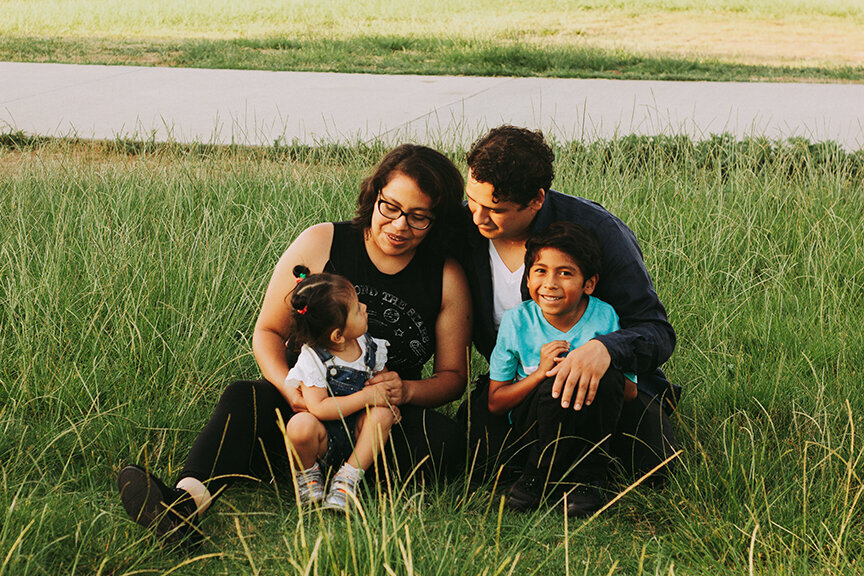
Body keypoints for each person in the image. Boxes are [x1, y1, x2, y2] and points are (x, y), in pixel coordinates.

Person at [118, 144, 471, 544]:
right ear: (373, 195)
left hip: (380, 421)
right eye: (389, 206)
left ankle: (328, 474)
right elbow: (268, 331)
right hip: (302, 405)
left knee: (448, 441)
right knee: (242, 398)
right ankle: (185, 504)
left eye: (418, 217)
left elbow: (452, 376)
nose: (399, 225)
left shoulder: (446, 275)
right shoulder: (323, 242)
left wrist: (405, 390)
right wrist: (289, 386)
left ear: (437, 221)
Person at [456, 126, 679, 500]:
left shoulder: (597, 231)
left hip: (597, 386)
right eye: (472, 200)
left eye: (496, 210)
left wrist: (605, 349)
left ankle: (580, 473)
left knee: (650, 465)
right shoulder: (461, 227)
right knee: (475, 461)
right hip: (521, 380)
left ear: (536, 200)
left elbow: (656, 331)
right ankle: (547, 467)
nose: (478, 217)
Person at [487, 222, 637, 516]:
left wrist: (589, 366)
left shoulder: (604, 317)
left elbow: (628, 391)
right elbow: (495, 402)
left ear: (589, 284)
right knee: (556, 376)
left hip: (589, 426)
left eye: (565, 273)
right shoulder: (517, 321)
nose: (550, 283)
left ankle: (588, 478)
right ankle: (536, 476)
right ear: (528, 279)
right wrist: (541, 372)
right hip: (534, 426)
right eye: (540, 271)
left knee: (588, 372)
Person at [282, 265, 398, 512]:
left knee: (382, 414)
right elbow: (319, 407)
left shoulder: (370, 347)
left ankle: (347, 479)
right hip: (324, 437)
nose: (364, 307)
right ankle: (309, 474)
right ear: (337, 335)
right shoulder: (313, 359)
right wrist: (367, 396)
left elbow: (382, 381)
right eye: (357, 309)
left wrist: (388, 402)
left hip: (361, 435)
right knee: (299, 425)